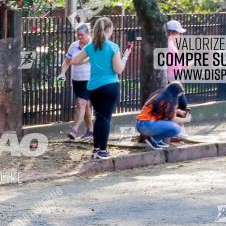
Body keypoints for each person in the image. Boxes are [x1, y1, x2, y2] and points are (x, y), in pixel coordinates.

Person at [66, 17, 131, 160]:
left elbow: (74, 61)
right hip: (109, 85)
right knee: (105, 118)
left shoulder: (91, 46)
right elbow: (118, 69)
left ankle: (96, 149)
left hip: (93, 87)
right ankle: (102, 150)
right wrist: (125, 57)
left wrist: (90, 58)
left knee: (99, 118)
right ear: (108, 30)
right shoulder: (113, 46)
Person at [57, 23, 93, 141]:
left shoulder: (93, 45)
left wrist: (81, 61)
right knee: (85, 105)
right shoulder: (74, 45)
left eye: (81, 35)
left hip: (89, 79)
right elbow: (67, 61)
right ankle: (90, 130)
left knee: (81, 104)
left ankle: (75, 129)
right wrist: (63, 73)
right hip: (76, 80)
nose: (79, 37)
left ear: (88, 34)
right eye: (78, 35)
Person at [135, 81, 188, 150]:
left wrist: (177, 111)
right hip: (146, 124)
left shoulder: (161, 95)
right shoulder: (167, 100)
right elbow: (172, 119)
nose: (178, 97)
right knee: (176, 129)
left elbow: (163, 112)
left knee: (173, 127)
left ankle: (154, 140)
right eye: (178, 95)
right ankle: (153, 139)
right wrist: (186, 119)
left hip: (142, 124)